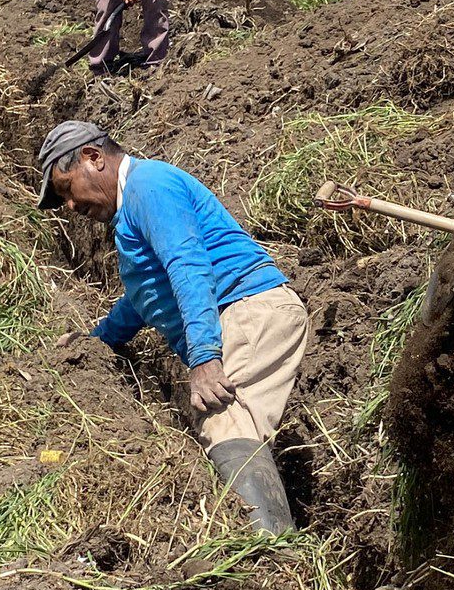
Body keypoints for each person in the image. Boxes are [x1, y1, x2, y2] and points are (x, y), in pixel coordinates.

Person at [36, 121, 307, 532]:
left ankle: (269, 554)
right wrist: (94, 344)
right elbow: (144, 297)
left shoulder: (149, 185)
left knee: (222, 418)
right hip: (238, 315)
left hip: (250, 310)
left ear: (93, 158)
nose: (70, 207)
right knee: (224, 424)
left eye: (66, 189)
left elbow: (188, 266)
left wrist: (204, 358)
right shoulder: (130, 210)